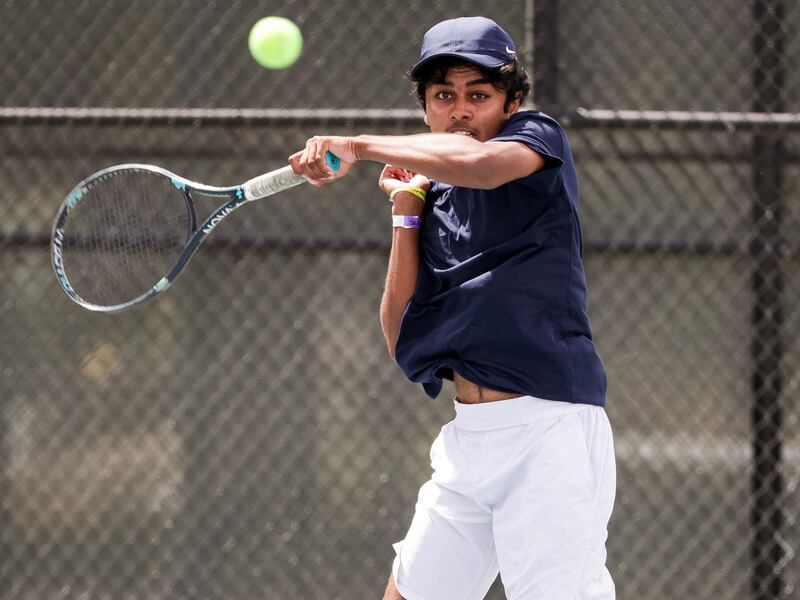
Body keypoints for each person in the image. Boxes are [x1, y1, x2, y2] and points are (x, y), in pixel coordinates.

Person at [289, 16, 616, 600]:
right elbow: (402, 337)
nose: (460, 111)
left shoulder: (537, 140)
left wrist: (357, 146)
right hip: (470, 443)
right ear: (426, 108)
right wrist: (406, 209)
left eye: (479, 96)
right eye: (444, 96)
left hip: (550, 433)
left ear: (511, 104)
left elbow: (481, 167)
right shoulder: (432, 195)